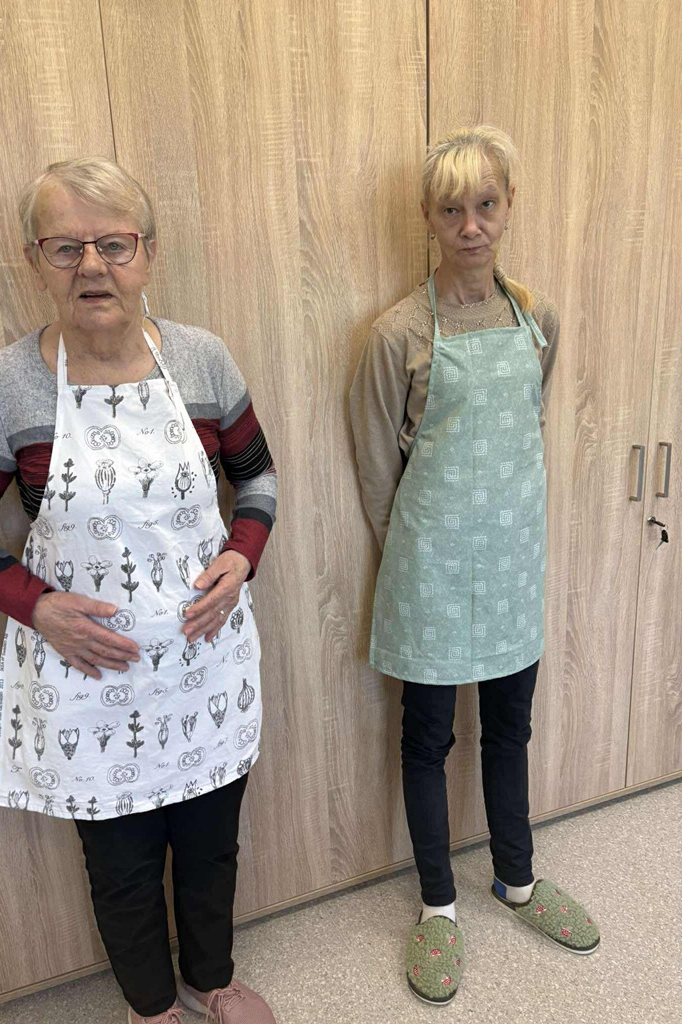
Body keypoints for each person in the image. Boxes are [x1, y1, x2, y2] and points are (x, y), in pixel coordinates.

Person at [0, 157, 278, 1024]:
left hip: (204, 663)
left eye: (114, 244)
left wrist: (242, 557)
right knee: (120, 865)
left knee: (211, 845)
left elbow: (258, 478)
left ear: (148, 252)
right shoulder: (8, 386)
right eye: (65, 247)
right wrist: (38, 607)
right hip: (89, 678)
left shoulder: (201, 361)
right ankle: (151, 1006)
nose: (92, 266)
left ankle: (213, 979)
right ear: (34, 261)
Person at [350, 126, 600, 1005]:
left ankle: (517, 879)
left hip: (511, 568)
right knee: (426, 737)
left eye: (485, 205)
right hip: (428, 569)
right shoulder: (397, 332)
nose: (470, 225)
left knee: (510, 729)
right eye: (452, 209)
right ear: (428, 216)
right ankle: (437, 904)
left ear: (508, 207)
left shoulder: (538, 320)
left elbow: (530, 428)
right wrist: (419, 549)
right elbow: (375, 466)